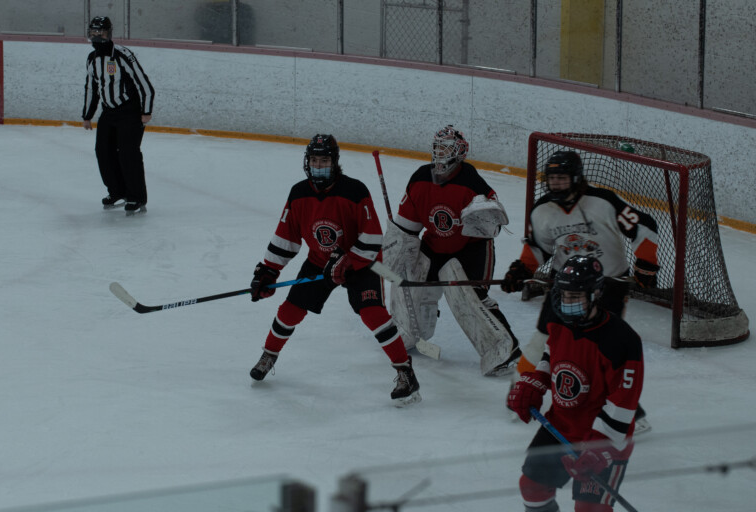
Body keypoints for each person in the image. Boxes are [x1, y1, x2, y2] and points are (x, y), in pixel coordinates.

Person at [248, 134, 421, 407]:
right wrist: (268, 271)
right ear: (307, 162)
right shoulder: (298, 194)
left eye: (324, 160)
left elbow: (373, 237)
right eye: (314, 160)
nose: (319, 165)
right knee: (289, 310)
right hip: (320, 261)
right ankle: (269, 355)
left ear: (335, 162)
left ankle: (405, 372)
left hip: (361, 262)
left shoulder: (355, 191)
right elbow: (286, 236)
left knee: (373, 314)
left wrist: (349, 261)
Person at [502, 150, 657, 432]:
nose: (557, 184)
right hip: (566, 283)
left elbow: (645, 226)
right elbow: (539, 247)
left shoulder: (603, 201)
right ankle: (522, 390)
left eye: (562, 178)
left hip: (607, 286)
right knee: (544, 336)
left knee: (601, 349)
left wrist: (647, 264)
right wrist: (522, 269)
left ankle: (628, 411)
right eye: (552, 179)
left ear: (576, 178)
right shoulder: (542, 210)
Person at [507, 254, 644, 512]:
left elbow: (623, 404)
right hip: (559, 427)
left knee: (589, 509)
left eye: (575, 296)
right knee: (532, 487)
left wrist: (598, 448)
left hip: (603, 438)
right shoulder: (560, 322)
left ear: (595, 294)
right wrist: (536, 381)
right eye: (564, 294)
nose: (567, 302)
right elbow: (551, 356)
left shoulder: (622, 341)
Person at [383, 125, 520, 376]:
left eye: (446, 149)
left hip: (470, 249)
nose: (440, 154)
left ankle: (502, 348)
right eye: (437, 148)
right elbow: (407, 227)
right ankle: (407, 331)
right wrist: (396, 249)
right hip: (433, 245)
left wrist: (485, 217)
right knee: (407, 279)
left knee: (467, 297)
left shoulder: (472, 182)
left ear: (460, 152)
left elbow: (493, 228)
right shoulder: (420, 179)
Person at [82, 16, 155, 216]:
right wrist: (87, 115)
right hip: (108, 112)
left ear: (109, 33)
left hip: (129, 112)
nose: (97, 37)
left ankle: (136, 197)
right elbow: (92, 88)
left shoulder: (122, 55)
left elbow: (144, 84)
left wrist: (146, 111)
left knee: (128, 154)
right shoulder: (92, 59)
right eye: (93, 33)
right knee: (103, 151)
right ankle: (117, 192)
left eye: (101, 33)